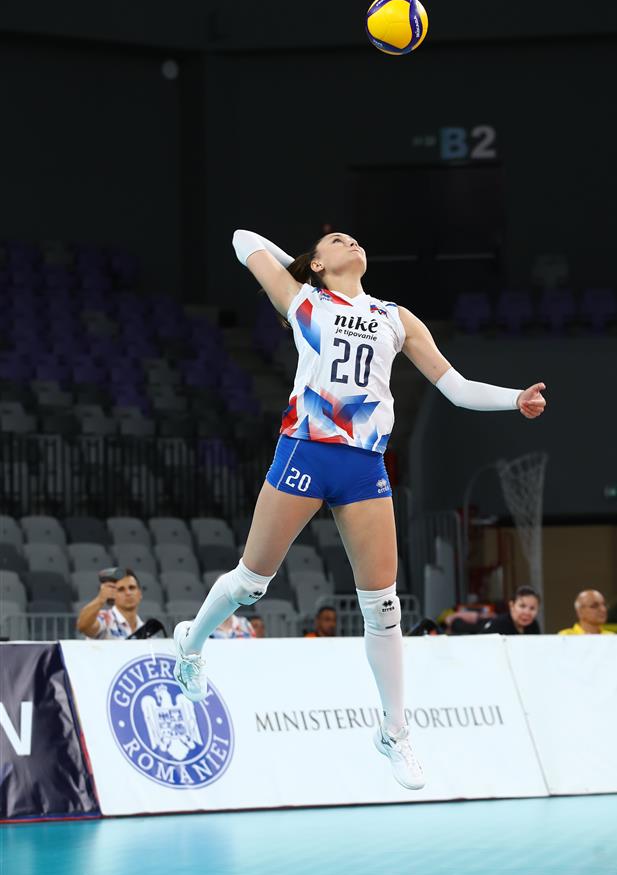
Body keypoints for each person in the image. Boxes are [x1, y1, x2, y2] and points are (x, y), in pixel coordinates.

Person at [173, 228, 547, 790]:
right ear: (318, 262)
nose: (351, 241)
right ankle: (191, 643)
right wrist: (301, 269)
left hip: (364, 465)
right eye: (335, 241)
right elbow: (240, 238)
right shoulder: (303, 301)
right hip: (306, 451)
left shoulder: (395, 317)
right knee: (251, 583)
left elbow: (457, 387)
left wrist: (513, 399)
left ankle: (394, 731)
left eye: (353, 238)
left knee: (384, 606)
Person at [77, 568, 144, 639]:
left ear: (140, 594)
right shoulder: (104, 618)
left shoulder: (145, 628)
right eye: (121, 589)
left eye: (132, 588)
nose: (128, 593)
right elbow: (83, 627)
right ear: (112, 595)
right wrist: (100, 599)